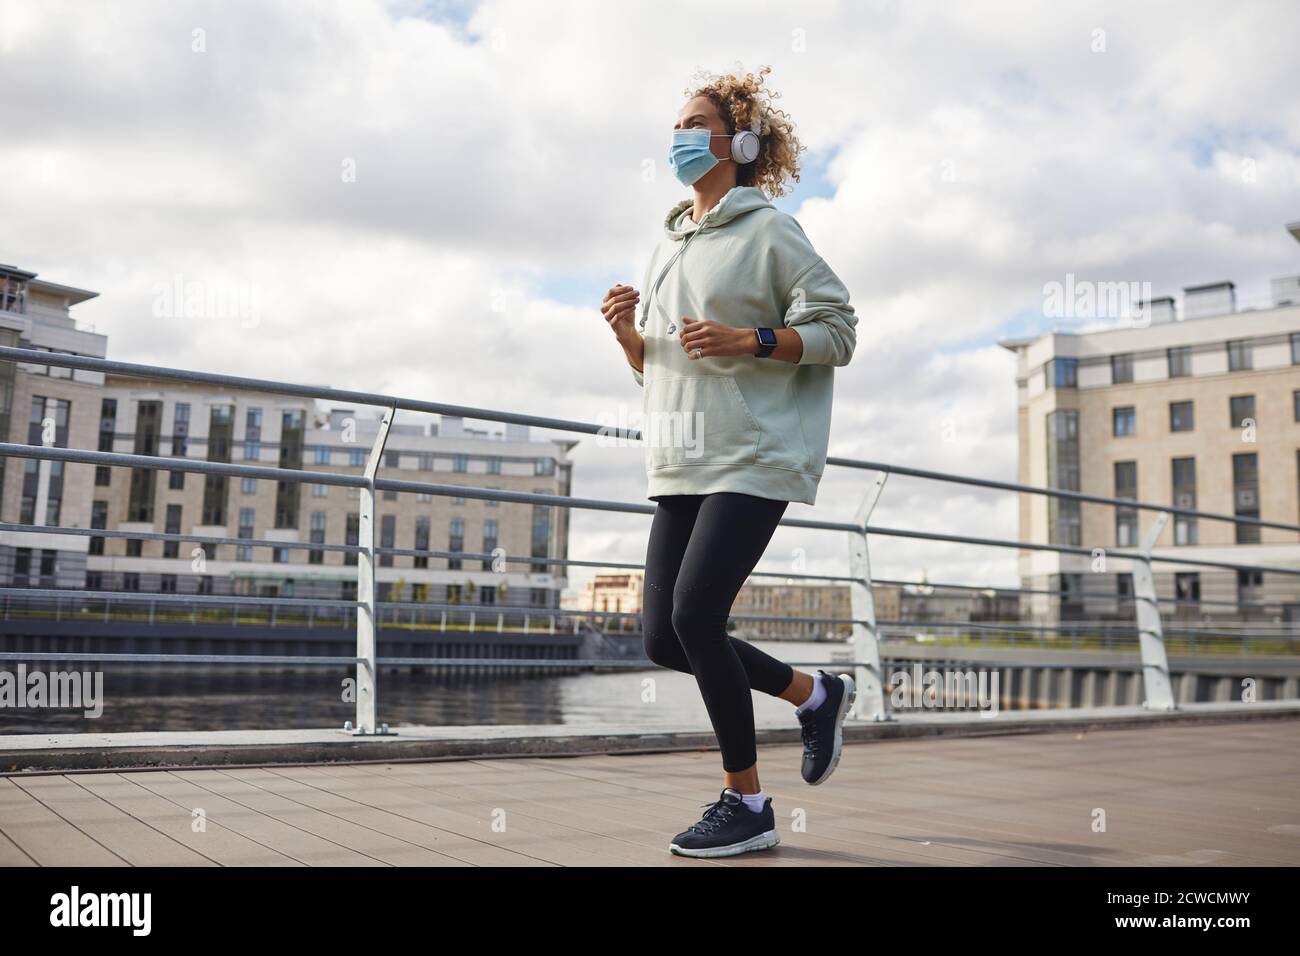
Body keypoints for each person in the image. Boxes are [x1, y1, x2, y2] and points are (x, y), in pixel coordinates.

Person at [600, 66, 860, 858]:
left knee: (695, 616)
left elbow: (839, 332)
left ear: (739, 141)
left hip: (754, 453)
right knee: (661, 640)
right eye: (676, 123)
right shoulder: (667, 242)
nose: (679, 136)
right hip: (683, 459)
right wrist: (629, 340)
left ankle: (746, 804)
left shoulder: (771, 232)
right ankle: (814, 695)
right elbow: (665, 367)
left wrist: (752, 339)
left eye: (695, 122)